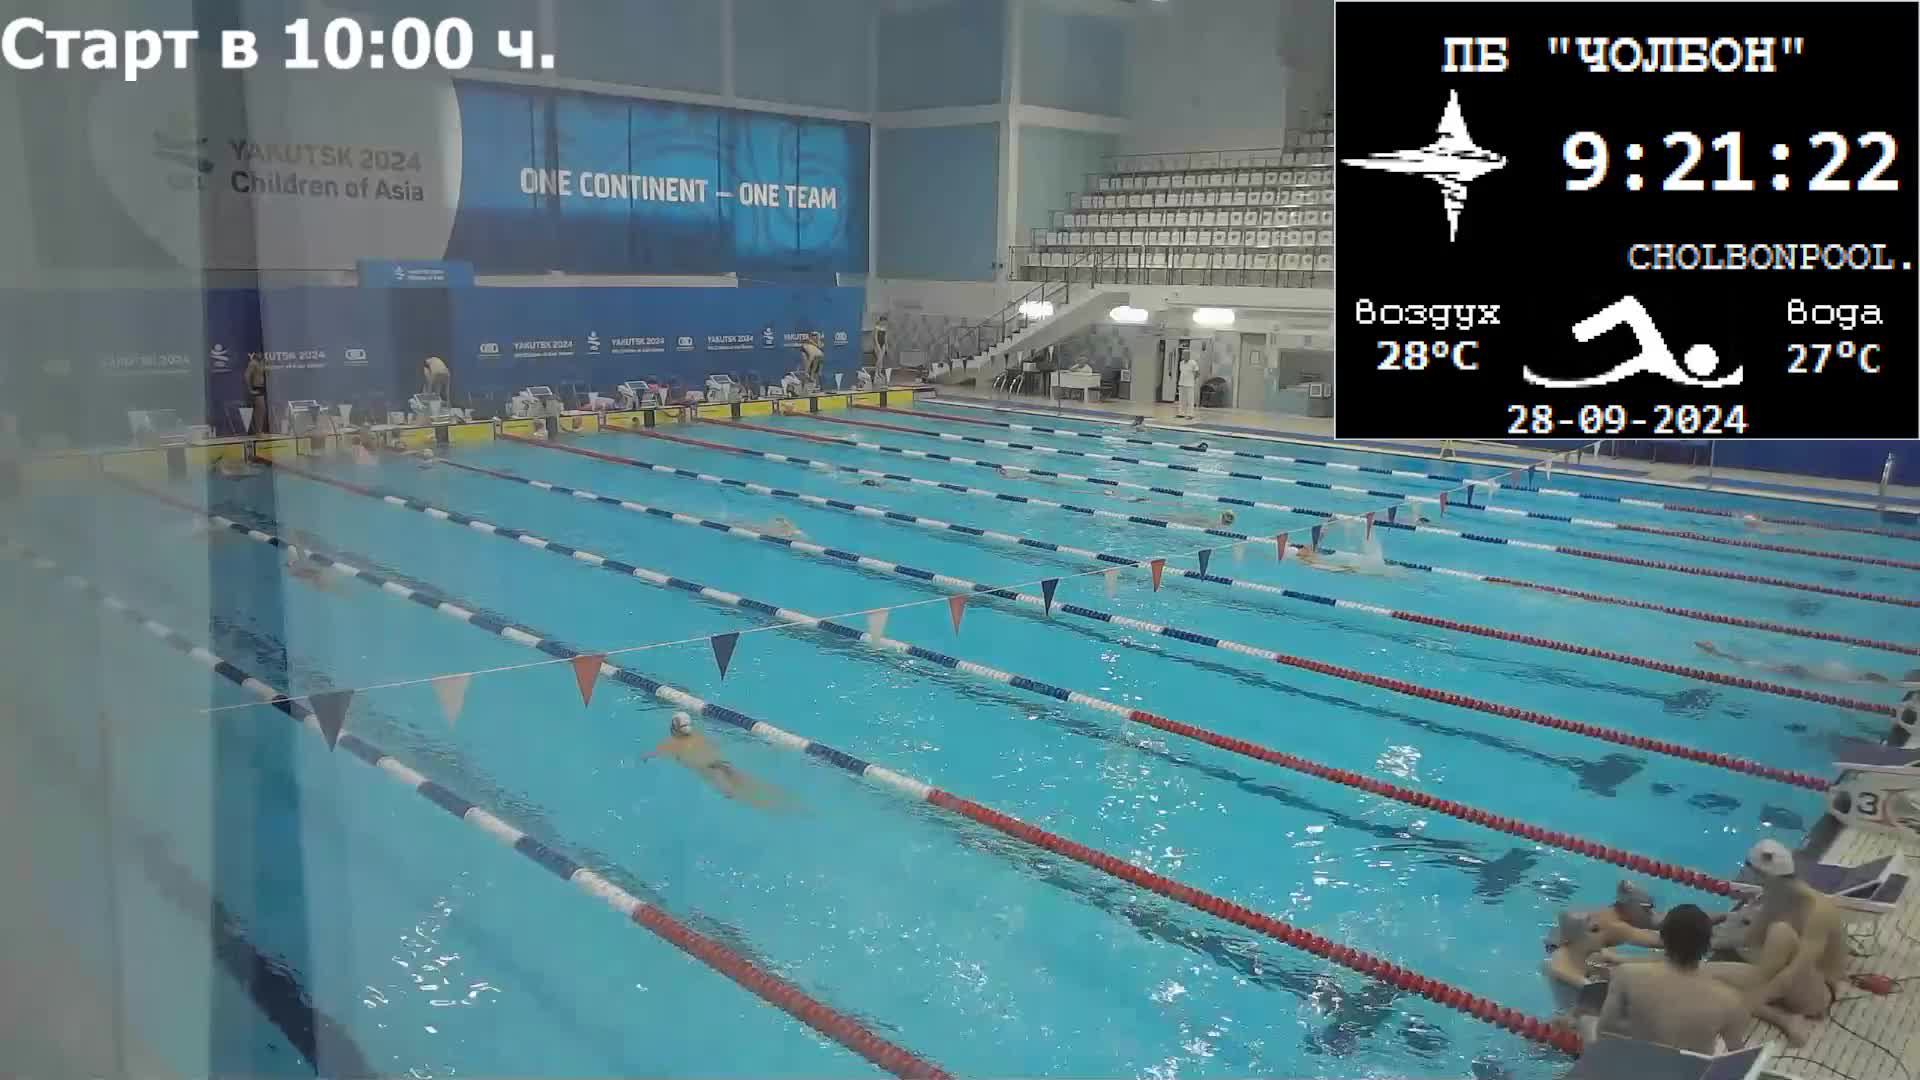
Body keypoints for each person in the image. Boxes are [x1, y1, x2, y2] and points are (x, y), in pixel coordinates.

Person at [1598, 904, 1750, 1054]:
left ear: (1662, 938)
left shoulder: (1626, 975)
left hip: (1636, 1062)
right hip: (1690, 1068)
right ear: (1707, 945)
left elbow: (1605, 1031)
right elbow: (1736, 1054)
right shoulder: (1728, 1000)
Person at [1738, 839, 1851, 1017]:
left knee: (1780, 933)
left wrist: (1753, 1000)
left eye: (1750, 872)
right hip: (1785, 979)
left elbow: (1795, 972)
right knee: (1711, 974)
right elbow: (1750, 941)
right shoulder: (1776, 895)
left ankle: (1778, 1016)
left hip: (1818, 995)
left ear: (1763, 875)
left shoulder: (1817, 910)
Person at [641, 712, 789, 810]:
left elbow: (653, 753)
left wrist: (644, 757)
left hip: (710, 768)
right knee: (745, 784)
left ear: (674, 728)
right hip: (721, 762)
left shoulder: (671, 743)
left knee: (733, 793)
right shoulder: (698, 734)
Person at [1694, 641, 1906, 687]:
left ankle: (1717, 653)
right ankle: (1717, 653)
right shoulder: (1837, 676)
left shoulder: (1815, 676)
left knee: (1750, 663)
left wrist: (1717, 653)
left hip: (1802, 673)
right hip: (1803, 673)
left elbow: (1743, 662)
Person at [244, 352, 270, 435]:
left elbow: (266, 373)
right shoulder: (253, 363)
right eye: (259, 354)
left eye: (262, 354)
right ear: (255, 354)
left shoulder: (261, 363)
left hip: (262, 388)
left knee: (261, 410)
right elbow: (246, 376)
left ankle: (259, 431)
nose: (261, 355)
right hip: (256, 388)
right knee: (260, 410)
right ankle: (258, 431)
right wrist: (250, 390)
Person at [1175, 352, 1199, 420]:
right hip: (1181, 383)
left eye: (1186, 354)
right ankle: (1181, 413)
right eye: (1183, 354)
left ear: (1188, 355)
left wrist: (1193, 379)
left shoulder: (1193, 362)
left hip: (1189, 384)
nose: (1184, 356)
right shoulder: (1181, 363)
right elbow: (1182, 372)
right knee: (1181, 400)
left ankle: (1190, 414)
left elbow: (1197, 372)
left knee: (1190, 400)